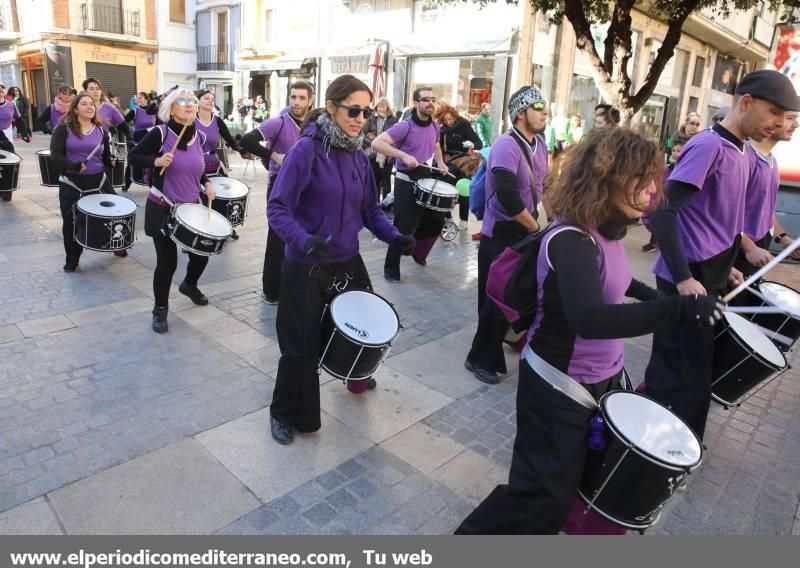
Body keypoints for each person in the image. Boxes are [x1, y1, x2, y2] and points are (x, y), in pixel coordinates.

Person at [455, 127, 726, 535]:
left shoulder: (609, 230)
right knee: (539, 498)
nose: (653, 190)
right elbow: (591, 319)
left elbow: (616, 281)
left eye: (655, 178)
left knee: (570, 487)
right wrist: (675, 309)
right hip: (557, 389)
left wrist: (654, 296)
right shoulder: (573, 239)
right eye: (642, 178)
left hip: (598, 382)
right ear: (608, 178)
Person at [645, 69, 800, 439]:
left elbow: (723, 219)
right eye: (774, 113)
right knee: (677, 368)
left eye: (786, 117)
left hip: (711, 274)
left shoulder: (743, 150)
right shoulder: (708, 145)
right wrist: (683, 278)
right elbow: (665, 212)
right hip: (685, 278)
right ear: (746, 102)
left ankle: (679, 443)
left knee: (696, 368)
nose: (779, 124)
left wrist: (728, 264)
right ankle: (658, 447)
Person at [266, 75, 414, 445]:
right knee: (299, 348)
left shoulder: (358, 157)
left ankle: (355, 372)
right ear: (332, 107)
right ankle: (283, 412)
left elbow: (370, 211)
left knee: (366, 329)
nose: (360, 118)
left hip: (347, 261)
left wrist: (395, 237)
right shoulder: (307, 151)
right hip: (305, 265)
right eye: (353, 110)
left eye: (365, 111)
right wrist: (304, 239)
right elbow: (278, 208)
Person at [464, 86, 549, 385]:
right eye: (538, 107)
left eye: (545, 107)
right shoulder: (505, 145)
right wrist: (536, 228)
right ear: (520, 112)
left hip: (526, 230)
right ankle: (478, 358)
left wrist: (557, 220)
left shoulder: (541, 143)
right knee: (496, 298)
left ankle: (505, 337)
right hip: (502, 233)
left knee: (517, 295)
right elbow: (507, 195)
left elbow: (545, 186)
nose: (544, 112)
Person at [127, 89, 217, 334]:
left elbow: (197, 168)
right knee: (167, 263)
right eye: (182, 101)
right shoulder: (161, 133)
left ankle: (189, 285)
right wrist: (155, 162)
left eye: (192, 102)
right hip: (163, 207)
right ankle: (160, 309)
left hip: (191, 208)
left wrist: (207, 182)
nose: (189, 105)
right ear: (171, 108)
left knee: (201, 254)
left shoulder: (198, 137)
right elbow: (133, 156)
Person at [240, 81, 315, 305]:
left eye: (302, 98)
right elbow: (247, 140)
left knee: (300, 233)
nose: (297, 102)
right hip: (279, 184)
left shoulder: (315, 124)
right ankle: (271, 291)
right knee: (277, 238)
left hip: (306, 187)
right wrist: (275, 156)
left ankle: (294, 284)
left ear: (311, 100)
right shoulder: (279, 122)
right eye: (293, 97)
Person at [373, 86, 447, 282]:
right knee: (403, 227)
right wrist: (403, 155)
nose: (430, 103)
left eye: (433, 99)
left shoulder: (434, 125)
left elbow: (436, 144)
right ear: (416, 103)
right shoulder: (405, 126)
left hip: (425, 175)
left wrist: (440, 162)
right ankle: (391, 268)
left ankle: (417, 251)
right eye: (425, 99)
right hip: (405, 180)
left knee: (437, 221)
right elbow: (377, 143)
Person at [49, 92, 117, 271]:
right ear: (75, 108)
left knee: (118, 212)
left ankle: (119, 245)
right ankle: (72, 258)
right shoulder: (64, 128)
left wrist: (110, 161)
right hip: (72, 182)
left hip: (98, 181)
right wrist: (72, 165)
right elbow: (55, 155)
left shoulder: (101, 130)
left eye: (92, 104)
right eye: (84, 104)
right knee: (72, 222)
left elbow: (105, 155)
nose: (89, 107)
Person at [736, 110, 800, 276]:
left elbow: (765, 209)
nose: (796, 124)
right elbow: (720, 214)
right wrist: (749, 247)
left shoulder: (772, 161)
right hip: (734, 255)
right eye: (790, 118)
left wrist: (783, 239)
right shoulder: (744, 157)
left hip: (755, 254)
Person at [436, 102, 484, 231]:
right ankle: (448, 217)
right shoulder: (442, 129)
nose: (448, 122)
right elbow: (439, 147)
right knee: (444, 189)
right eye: (445, 120)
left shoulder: (464, 125)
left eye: (450, 119)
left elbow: (479, 143)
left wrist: (472, 145)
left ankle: (463, 220)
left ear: (455, 116)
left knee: (464, 190)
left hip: (464, 163)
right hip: (450, 162)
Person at [642, 140, 685, 253]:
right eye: (674, 150)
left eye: (679, 151)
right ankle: (655, 241)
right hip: (662, 197)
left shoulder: (684, 168)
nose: (676, 153)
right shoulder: (667, 168)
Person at [362, 97, 398, 200]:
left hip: (386, 154)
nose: (380, 109)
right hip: (372, 154)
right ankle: (375, 205)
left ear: (387, 108)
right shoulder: (371, 118)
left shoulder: (393, 120)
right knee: (374, 181)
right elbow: (362, 135)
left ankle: (386, 205)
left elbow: (396, 137)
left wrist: (384, 144)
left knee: (386, 180)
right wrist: (374, 143)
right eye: (379, 106)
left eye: (383, 106)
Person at [123, 91, 159, 191]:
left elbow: (160, 125)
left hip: (151, 142)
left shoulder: (154, 110)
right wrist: (129, 136)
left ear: (146, 99)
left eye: (140, 98)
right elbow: (123, 123)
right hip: (137, 141)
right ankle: (126, 184)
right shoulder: (135, 111)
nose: (137, 100)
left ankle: (153, 184)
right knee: (131, 162)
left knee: (153, 163)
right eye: (137, 98)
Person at [83, 78, 131, 143]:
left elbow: (124, 125)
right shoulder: (80, 108)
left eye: (98, 89)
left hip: (105, 145)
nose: (95, 91)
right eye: (92, 89)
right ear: (85, 91)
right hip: (84, 143)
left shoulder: (109, 108)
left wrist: (130, 140)